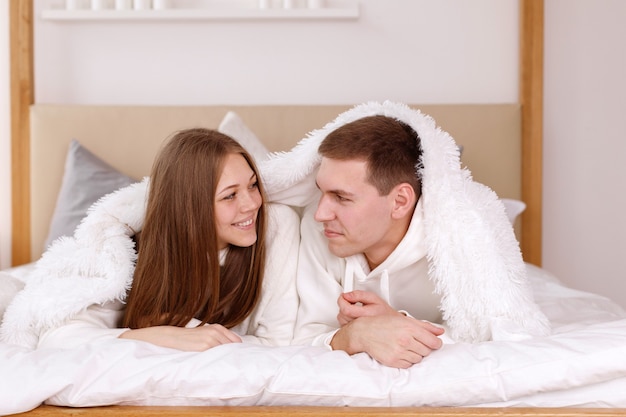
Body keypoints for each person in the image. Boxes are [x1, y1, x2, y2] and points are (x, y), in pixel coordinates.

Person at [3, 128, 300, 351]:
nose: (252, 204)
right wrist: (165, 335)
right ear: (190, 206)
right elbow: (61, 336)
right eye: (230, 195)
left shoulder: (275, 225)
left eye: (252, 185)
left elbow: (279, 341)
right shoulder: (129, 251)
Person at [292, 115, 444, 369]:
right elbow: (302, 341)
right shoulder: (316, 228)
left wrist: (395, 322)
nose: (321, 214)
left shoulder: (456, 245)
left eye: (341, 197)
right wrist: (356, 334)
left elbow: (498, 336)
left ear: (400, 202)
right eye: (321, 191)